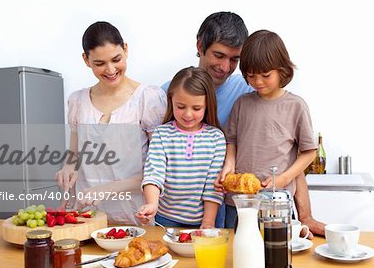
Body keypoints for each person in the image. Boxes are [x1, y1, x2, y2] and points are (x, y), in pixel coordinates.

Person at [163, 12, 325, 237]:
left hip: (253, 201)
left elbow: (295, 153)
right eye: (218, 55)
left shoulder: (253, 91)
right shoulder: (171, 93)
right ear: (200, 46)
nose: (225, 67)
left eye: (234, 60)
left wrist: (304, 214)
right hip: (181, 210)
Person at [56, 21, 167, 225]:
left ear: (126, 49)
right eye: (99, 63)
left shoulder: (147, 99)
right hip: (87, 218)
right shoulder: (78, 101)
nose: (110, 69)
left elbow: (157, 170)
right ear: (86, 60)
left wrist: (106, 189)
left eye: (116, 59)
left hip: (134, 216)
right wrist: (67, 169)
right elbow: (74, 155)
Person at [215, 29, 317, 228]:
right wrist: (229, 165)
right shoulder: (241, 103)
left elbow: (309, 152)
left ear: (282, 70)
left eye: (265, 75)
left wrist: (284, 178)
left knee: (276, 253)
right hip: (238, 201)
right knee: (235, 253)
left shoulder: (295, 106)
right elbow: (232, 140)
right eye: (251, 76)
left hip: (277, 200)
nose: (258, 82)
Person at [136, 67, 226, 228]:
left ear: (207, 105)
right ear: (171, 101)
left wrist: (208, 221)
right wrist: (152, 205)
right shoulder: (162, 134)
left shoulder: (216, 137)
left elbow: (213, 186)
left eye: (196, 108)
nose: (188, 114)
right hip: (165, 218)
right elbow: (153, 174)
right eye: (181, 106)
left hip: (206, 219)